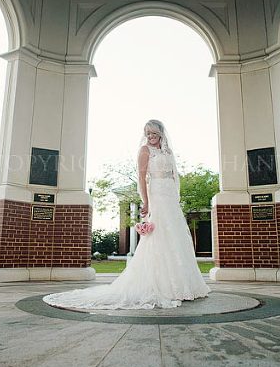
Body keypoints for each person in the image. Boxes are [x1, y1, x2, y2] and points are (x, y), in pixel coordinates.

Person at [43, 119, 210, 310]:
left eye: (154, 133)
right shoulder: (145, 151)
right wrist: (146, 201)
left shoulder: (168, 151)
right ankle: (162, 286)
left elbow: (174, 175)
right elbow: (142, 177)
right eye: (148, 133)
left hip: (170, 195)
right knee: (159, 235)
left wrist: (175, 196)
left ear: (161, 133)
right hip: (156, 194)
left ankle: (184, 285)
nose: (151, 137)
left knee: (176, 236)